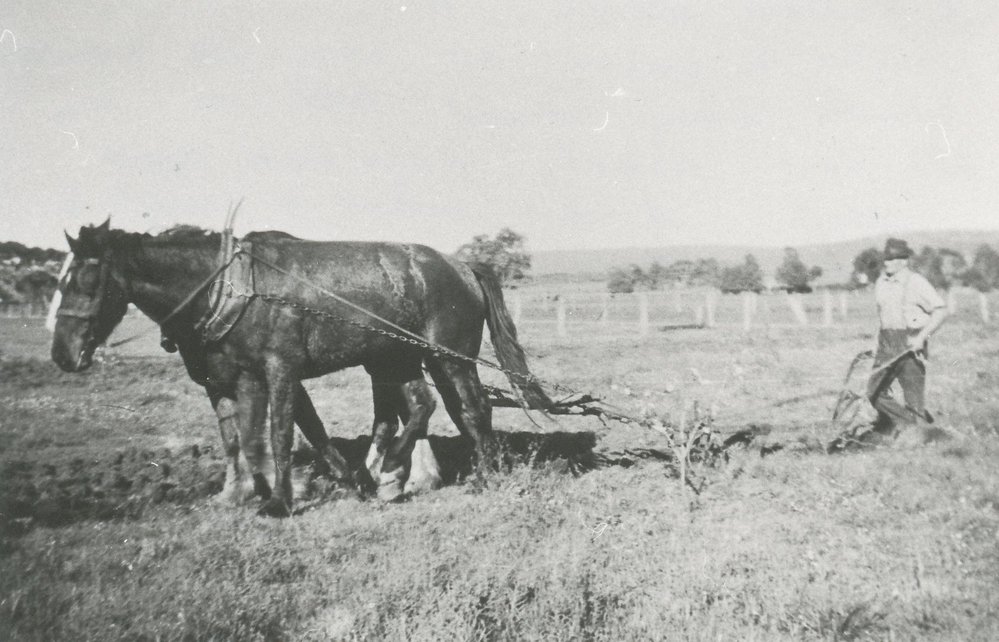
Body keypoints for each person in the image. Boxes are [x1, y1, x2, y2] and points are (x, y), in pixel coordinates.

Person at [866, 238, 948, 435]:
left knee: (914, 401)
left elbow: (941, 310)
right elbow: (882, 315)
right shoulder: (881, 282)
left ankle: (921, 437)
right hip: (887, 342)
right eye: (886, 258)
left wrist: (921, 338)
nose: (887, 262)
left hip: (911, 343)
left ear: (904, 260)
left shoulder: (916, 282)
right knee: (873, 392)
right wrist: (875, 341)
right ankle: (907, 426)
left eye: (893, 258)